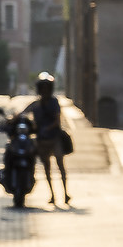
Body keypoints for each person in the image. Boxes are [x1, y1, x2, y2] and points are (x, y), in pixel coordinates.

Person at [26, 72, 71, 206]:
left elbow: (57, 121)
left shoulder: (54, 102)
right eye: (43, 87)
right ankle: (52, 194)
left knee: (60, 165)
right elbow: (24, 112)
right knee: (46, 168)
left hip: (54, 138)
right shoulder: (36, 104)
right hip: (41, 139)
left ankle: (65, 193)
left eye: (47, 87)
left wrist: (48, 128)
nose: (45, 90)